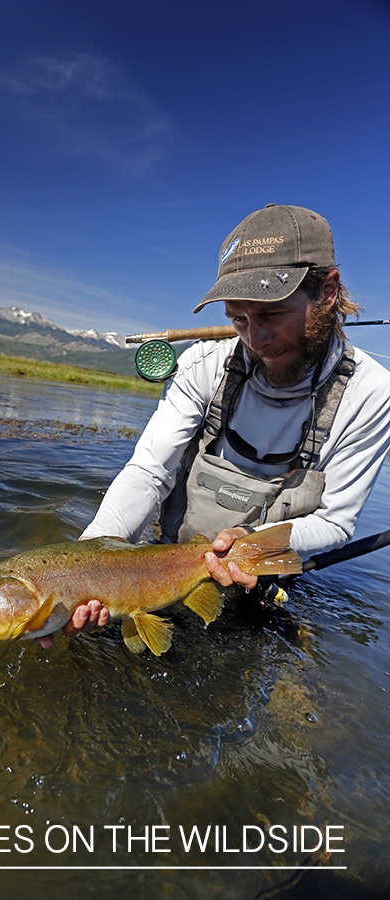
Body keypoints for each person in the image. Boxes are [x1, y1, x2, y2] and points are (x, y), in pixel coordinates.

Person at [37, 204, 390, 648]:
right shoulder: (203, 364)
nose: (254, 340)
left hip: (267, 572)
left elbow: (336, 523)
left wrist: (250, 543)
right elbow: (149, 471)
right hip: (164, 563)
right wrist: (92, 560)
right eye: (238, 319)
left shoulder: (372, 393)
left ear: (328, 292)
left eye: (271, 314)